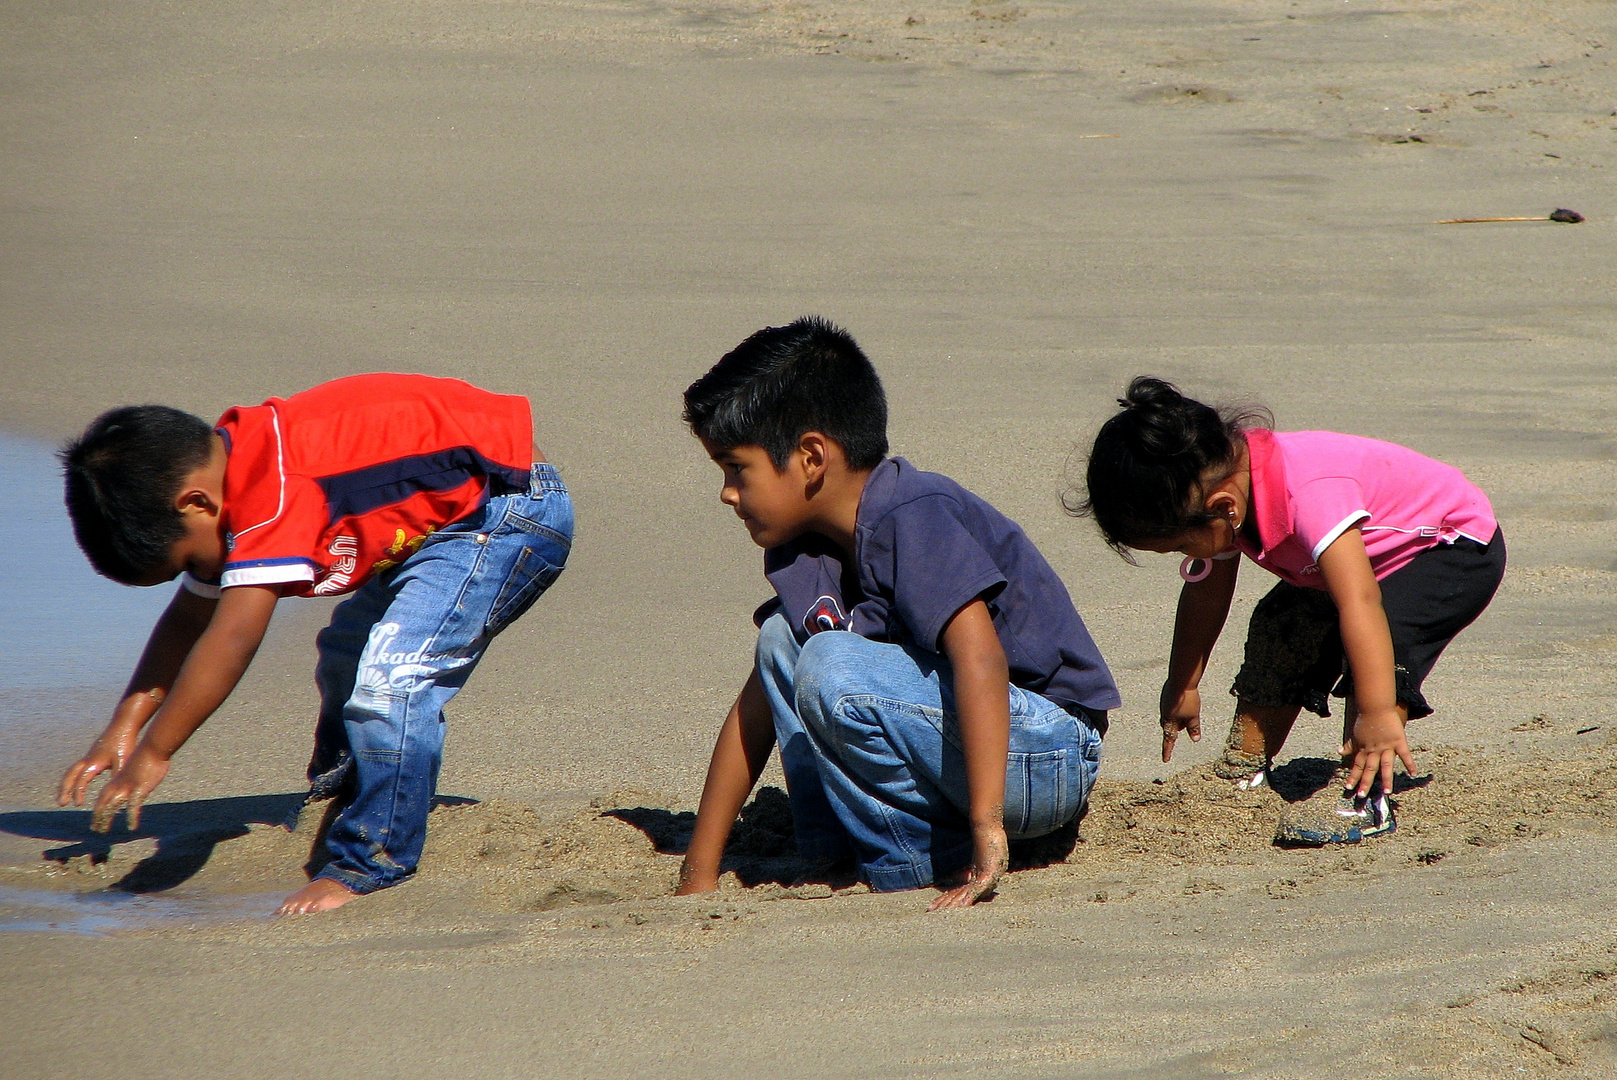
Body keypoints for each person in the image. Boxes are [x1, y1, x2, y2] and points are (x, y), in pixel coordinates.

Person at [55, 373, 572, 913]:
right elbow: (188, 619)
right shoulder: (240, 462)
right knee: (346, 654)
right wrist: (124, 726)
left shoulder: (274, 492)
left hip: (507, 513)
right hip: (446, 514)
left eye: (188, 562)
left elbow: (231, 634)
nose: (202, 576)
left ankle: (374, 858)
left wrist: (157, 749)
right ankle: (343, 792)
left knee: (389, 682)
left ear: (196, 502)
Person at [675, 317, 1120, 908]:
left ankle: (918, 858)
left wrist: (989, 829)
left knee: (828, 661)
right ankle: (835, 844)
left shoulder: (913, 511)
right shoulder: (800, 547)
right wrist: (698, 873)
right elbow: (756, 704)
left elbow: (981, 659)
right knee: (784, 640)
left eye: (736, 468)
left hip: (1046, 750)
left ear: (811, 456)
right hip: (969, 751)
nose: (727, 492)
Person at [1078, 377, 1504, 843]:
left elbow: (1360, 602)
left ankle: (1363, 795)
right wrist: (1183, 682)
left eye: (1180, 543)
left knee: (1381, 646)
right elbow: (1207, 592)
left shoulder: (1309, 494)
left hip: (1450, 547)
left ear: (1223, 507)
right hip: (1362, 562)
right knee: (1281, 622)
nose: (1182, 554)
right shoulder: (1224, 490)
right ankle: (1245, 767)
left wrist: (1378, 710)